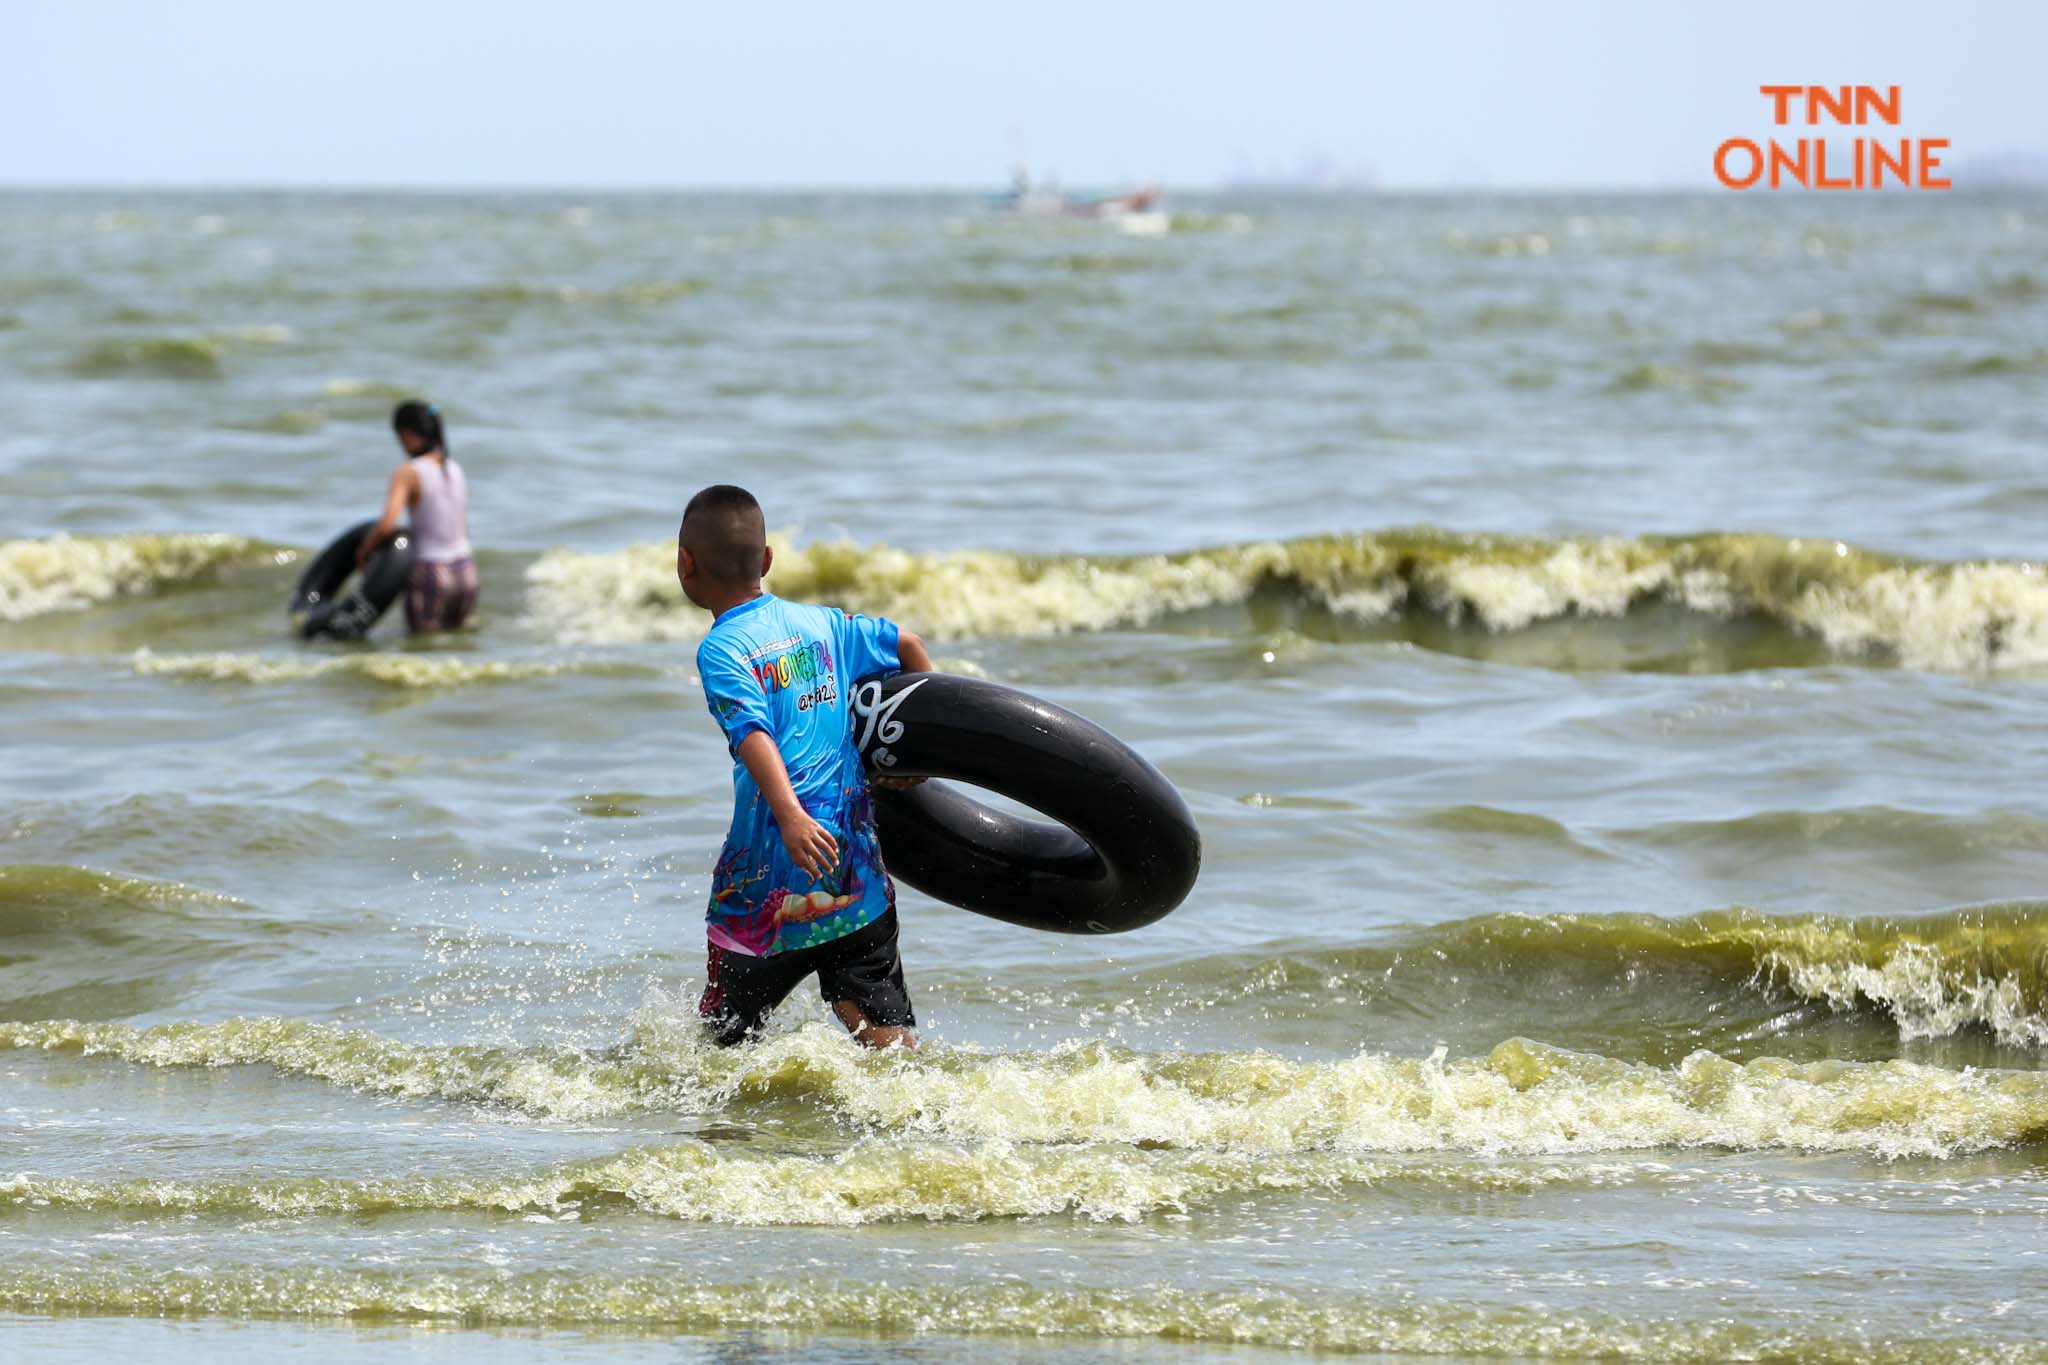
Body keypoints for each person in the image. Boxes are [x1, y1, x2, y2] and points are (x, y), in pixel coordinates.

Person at [678, 484, 933, 1048]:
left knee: (720, 1053)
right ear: (767, 561)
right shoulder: (824, 624)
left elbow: (752, 734)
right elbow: (910, 644)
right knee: (888, 1043)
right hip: (855, 880)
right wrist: (918, 754)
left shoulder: (722, 650)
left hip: (763, 899)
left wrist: (791, 817)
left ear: (685, 563)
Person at [358, 400, 478, 634]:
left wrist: (363, 553)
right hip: (466, 570)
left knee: (422, 649)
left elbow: (387, 524)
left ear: (408, 433)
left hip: (432, 571)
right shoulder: (454, 468)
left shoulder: (408, 472)